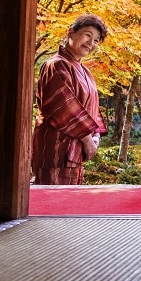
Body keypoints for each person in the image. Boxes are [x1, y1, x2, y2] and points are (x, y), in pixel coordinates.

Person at [31, 14, 109, 185]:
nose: (91, 43)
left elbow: (92, 110)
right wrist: (88, 140)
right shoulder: (56, 65)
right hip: (56, 145)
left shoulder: (86, 72)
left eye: (96, 40)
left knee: (71, 201)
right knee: (53, 203)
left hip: (76, 146)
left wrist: (95, 136)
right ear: (70, 33)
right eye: (88, 35)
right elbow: (63, 107)